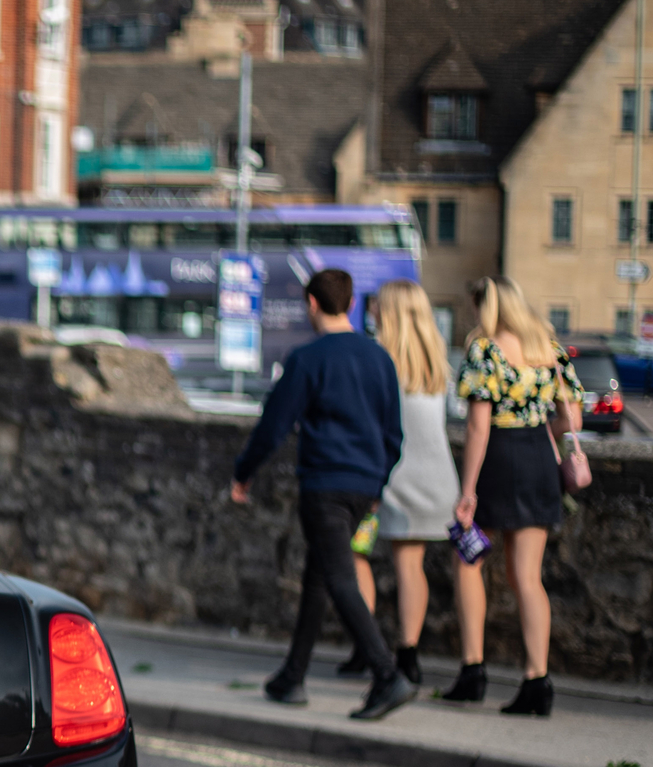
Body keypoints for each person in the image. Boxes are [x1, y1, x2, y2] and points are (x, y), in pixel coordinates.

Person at [230, 267, 415, 721]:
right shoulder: (380, 359)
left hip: (325, 483)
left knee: (337, 578)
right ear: (350, 304)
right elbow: (394, 433)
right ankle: (292, 676)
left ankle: (387, 674)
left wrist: (243, 473)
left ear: (312, 304)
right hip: (364, 485)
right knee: (318, 575)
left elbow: (274, 424)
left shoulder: (308, 359)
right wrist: (379, 482)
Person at [445, 278, 583, 716]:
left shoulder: (486, 350)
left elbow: (477, 427)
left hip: (498, 461)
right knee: (528, 576)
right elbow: (571, 415)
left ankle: (473, 669)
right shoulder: (549, 349)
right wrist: (540, 429)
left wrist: (467, 491)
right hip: (540, 459)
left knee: (468, 558)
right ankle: (537, 679)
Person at [340, 282, 459, 689]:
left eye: (377, 305)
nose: (371, 310)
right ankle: (408, 653)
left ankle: (365, 644)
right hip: (437, 477)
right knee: (411, 567)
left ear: (387, 312)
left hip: (389, 477)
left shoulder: (378, 359)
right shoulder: (436, 361)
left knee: (355, 554)